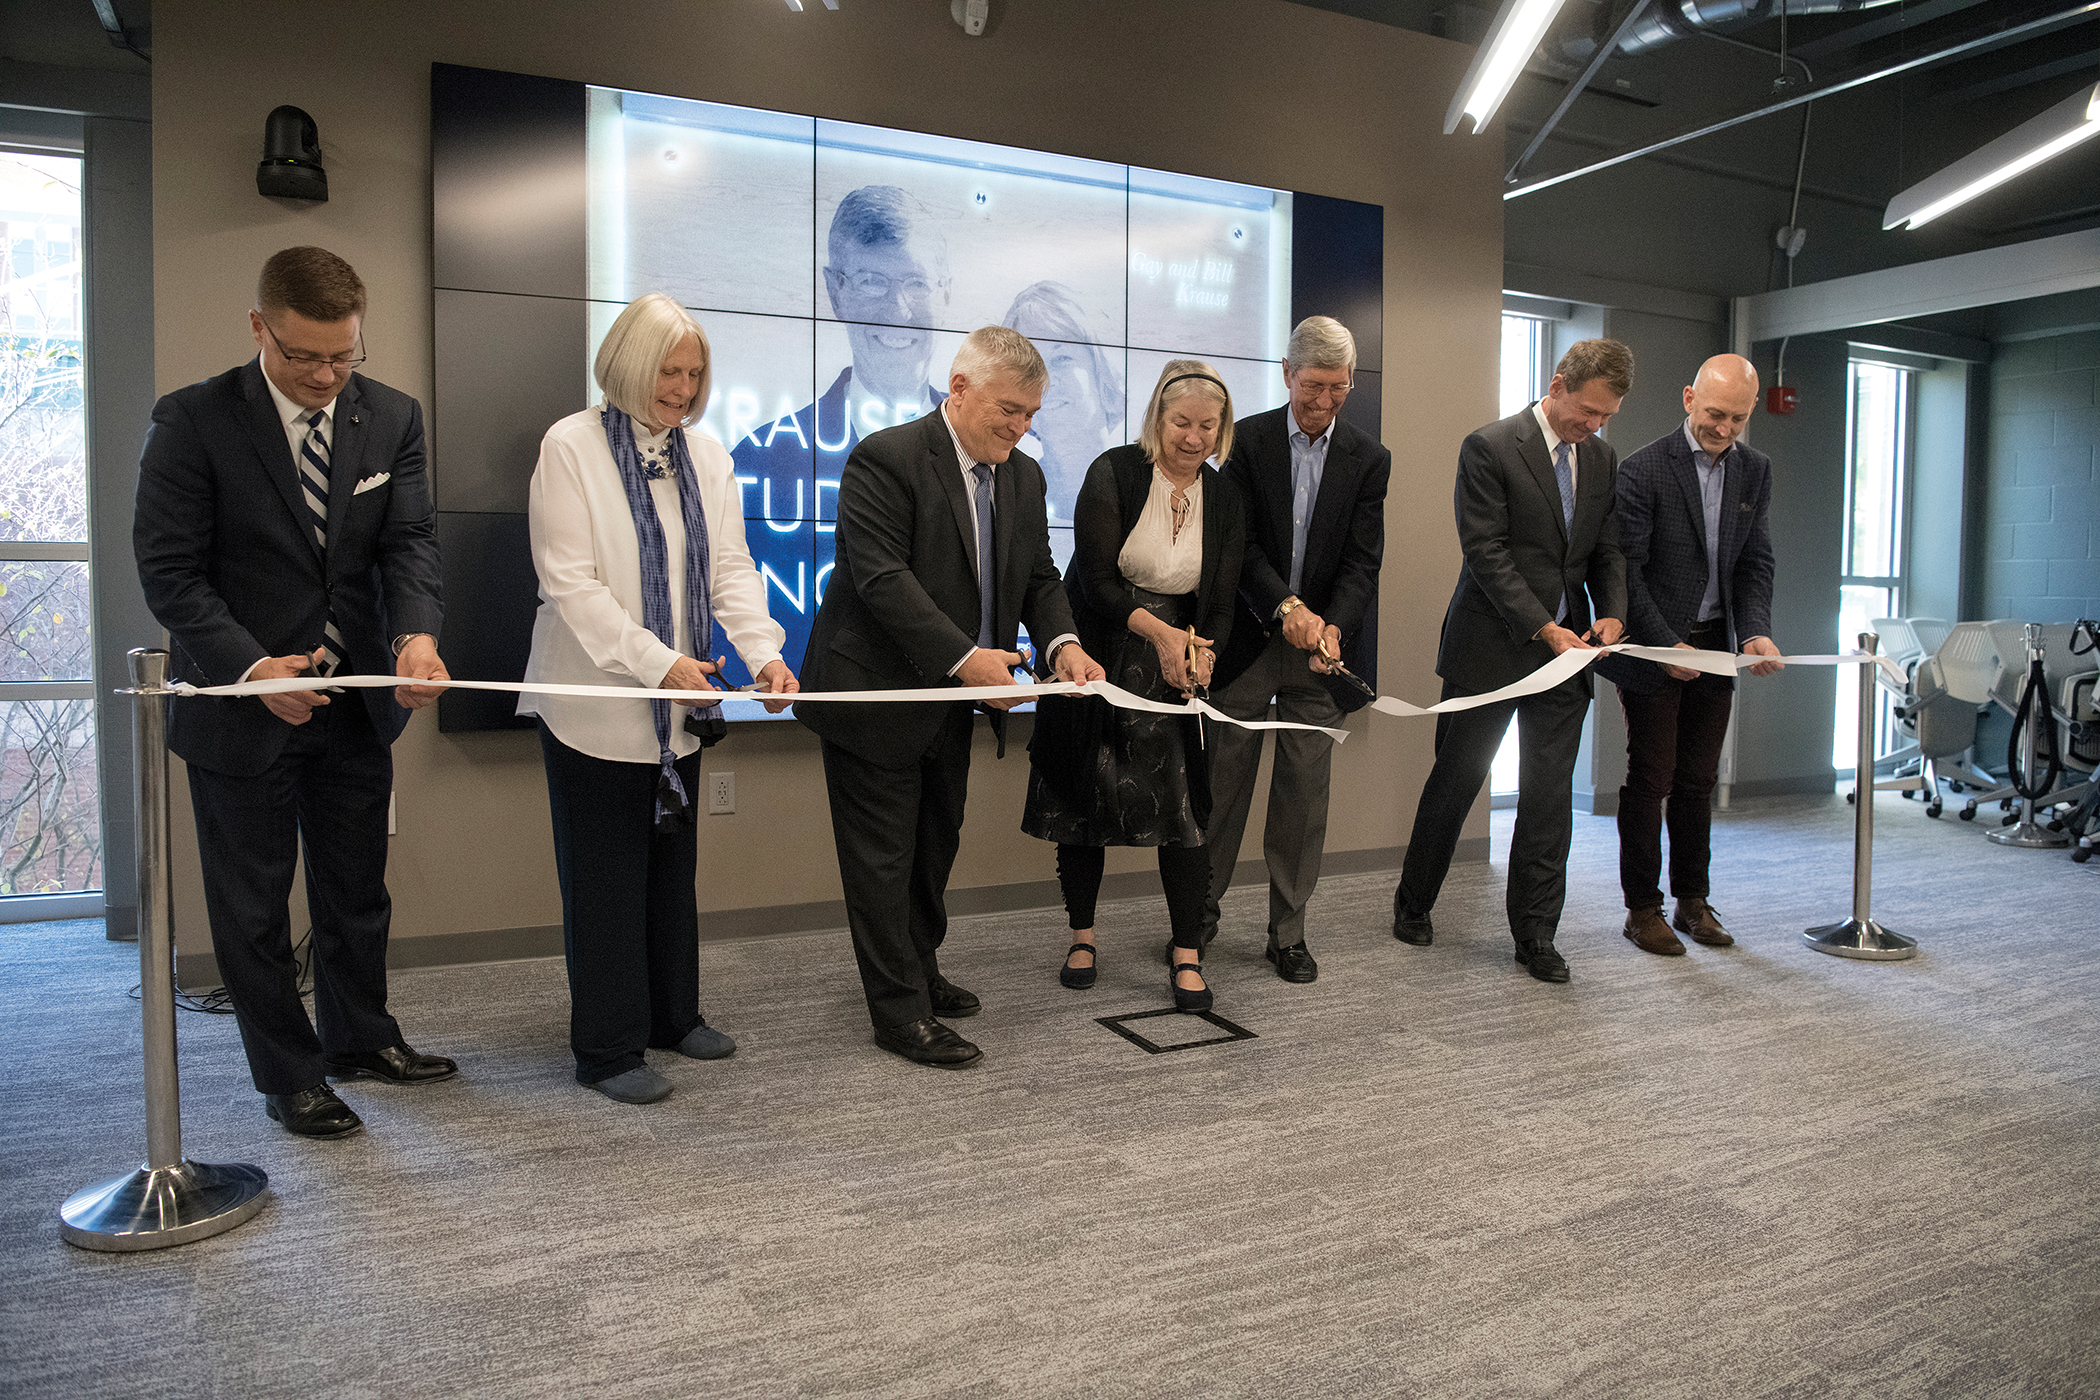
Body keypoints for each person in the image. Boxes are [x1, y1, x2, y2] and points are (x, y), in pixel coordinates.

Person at [134, 246, 452, 1140]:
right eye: (303, 356)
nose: (325, 376)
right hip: (240, 708)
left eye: (342, 356)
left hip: (353, 701)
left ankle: (362, 1039)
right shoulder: (193, 421)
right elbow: (169, 573)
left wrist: (414, 635)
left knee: (357, 889)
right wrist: (248, 669)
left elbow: (410, 542)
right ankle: (290, 1074)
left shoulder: (390, 415)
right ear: (259, 328)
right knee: (253, 904)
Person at [799, 325, 1105, 1069]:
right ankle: (897, 1013)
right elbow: (880, 579)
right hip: (873, 698)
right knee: (882, 860)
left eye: (1032, 413)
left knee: (933, 848)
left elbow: (1038, 577)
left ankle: (920, 969)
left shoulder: (1023, 477)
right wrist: (967, 660)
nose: (1020, 426)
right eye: (1009, 409)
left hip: (949, 702)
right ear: (958, 389)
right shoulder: (888, 457)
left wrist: (1063, 643)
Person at [518, 294, 798, 1105]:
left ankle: (673, 1016)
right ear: (627, 367)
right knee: (604, 877)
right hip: (594, 705)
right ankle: (606, 1048)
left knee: (672, 867)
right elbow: (570, 583)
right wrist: (656, 661)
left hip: (679, 707)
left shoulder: (705, 456)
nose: (681, 388)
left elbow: (730, 571)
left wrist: (769, 654)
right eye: (667, 372)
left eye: (694, 373)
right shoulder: (569, 445)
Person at [1391, 339, 1633, 984]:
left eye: (1605, 418)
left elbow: (1607, 547)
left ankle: (1535, 936)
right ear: (1556, 385)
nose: (1593, 426)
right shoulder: (1490, 446)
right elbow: (1486, 551)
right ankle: (1413, 904)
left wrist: (1611, 610)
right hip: (1490, 647)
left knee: (1550, 798)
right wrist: (1544, 626)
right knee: (1456, 782)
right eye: (1586, 412)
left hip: (1567, 657)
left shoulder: (1602, 459)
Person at [1024, 360, 1246, 1012]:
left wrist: (1202, 657)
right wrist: (1160, 636)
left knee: (1185, 816)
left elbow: (1223, 600)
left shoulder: (1225, 496)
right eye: (1182, 422)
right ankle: (1083, 938)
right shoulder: (1113, 471)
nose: (1194, 437)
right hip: (1097, 649)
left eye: (1208, 425)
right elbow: (1095, 579)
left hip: (1175, 662)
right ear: (1158, 419)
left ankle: (1185, 953)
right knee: (1082, 805)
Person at [1201, 316, 1390, 984]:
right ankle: (1199, 919)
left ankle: (1288, 932)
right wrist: (1286, 607)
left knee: (1304, 799)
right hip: (1252, 640)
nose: (1325, 402)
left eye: (1338, 388)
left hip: (1321, 655)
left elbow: (1363, 563)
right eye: (1314, 386)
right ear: (1288, 375)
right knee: (1221, 789)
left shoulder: (1369, 458)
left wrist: (1333, 626)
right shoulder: (1246, 442)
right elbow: (1238, 547)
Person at [1595, 353, 1782, 956]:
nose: (1723, 428)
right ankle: (1641, 909)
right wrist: (1662, 645)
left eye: (1737, 418)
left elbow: (1754, 560)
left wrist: (1754, 631)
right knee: (1652, 777)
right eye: (1714, 413)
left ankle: (1692, 902)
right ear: (1687, 399)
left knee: (1699, 780)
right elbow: (1628, 569)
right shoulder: (1642, 469)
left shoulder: (1755, 471)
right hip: (1652, 643)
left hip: (1715, 645)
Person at [730, 185, 952, 511]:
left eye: (917, 283)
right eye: (872, 281)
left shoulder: (993, 453)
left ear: (945, 293)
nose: (898, 311)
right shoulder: (759, 462)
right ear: (836, 293)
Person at [1002, 281, 1123, 523]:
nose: (1047, 381)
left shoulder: (1147, 484)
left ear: (1103, 370)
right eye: (1032, 368)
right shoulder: (1007, 490)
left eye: (1062, 358)